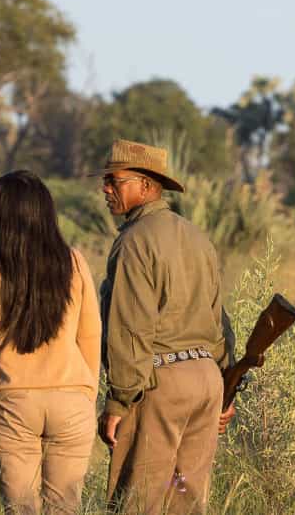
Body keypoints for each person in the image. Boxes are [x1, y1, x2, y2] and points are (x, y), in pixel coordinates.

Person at [92, 139, 233, 514]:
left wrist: (119, 401)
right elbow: (221, 320)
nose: (105, 188)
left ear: (146, 185)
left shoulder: (134, 242)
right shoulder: (198, 237)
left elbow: (130, 328)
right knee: (186, 503)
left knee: (137, 502)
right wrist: (226, 386)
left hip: (160, 384)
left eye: (114, 180)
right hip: (206, 382)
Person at [0, 171, 102, 514]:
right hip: (73, 399)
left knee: (21, 508)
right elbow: (90, 333)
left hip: (14, 402)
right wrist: (87, 390)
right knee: (65, 507)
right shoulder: (73, 261)